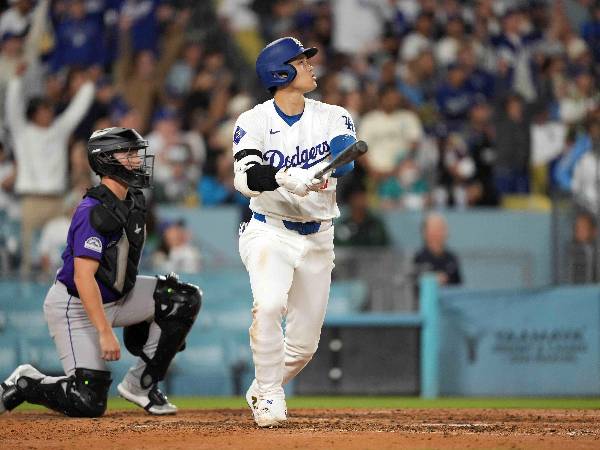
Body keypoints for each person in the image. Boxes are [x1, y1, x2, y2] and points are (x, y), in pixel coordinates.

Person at [0, 127, 201, 417]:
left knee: (183, 299)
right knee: (87, 400)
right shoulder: (93, 210)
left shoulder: (134, 199)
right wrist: (105, 332)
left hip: (119, 295)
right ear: (106, 159)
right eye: (128, 153)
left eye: (136, 152)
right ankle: (27, 382)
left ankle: (140, 385)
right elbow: (83, 278)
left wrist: (156, 326)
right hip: (77, 306)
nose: (137, 159)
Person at [232, 37, 357, 427]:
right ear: (280, 72)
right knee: (268, 306)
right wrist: (287, 177)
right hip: (269, 231)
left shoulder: (332, 114)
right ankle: (270, 397)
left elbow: (347, 158)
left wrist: (316, 173)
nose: (310, 66)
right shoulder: (252, 121)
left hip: (319, 235)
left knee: (304, 346)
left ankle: (262, 385)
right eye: (302, 62)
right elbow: (247, 177)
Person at [413, 212, 462, 286]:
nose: (438, 233)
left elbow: (459, 286)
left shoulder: (452, 258)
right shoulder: (418, 258)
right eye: (434, 229)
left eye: (441, 229)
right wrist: (433, 279)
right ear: (425, 233)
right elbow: (414, 284)